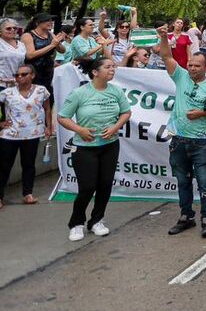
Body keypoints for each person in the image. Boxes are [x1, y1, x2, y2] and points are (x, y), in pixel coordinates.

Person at [157, 25, 206, 237]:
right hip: (178, 140)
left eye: (197, 66)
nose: (192, 68)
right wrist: (163, 37)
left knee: (205, 182)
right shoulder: (180, 77)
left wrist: (202, 114)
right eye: (190, 64)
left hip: (201, 141)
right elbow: (166, 56)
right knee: (182, 181)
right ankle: (186, 216)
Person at [56, 57, 131, 241]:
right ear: (95, 72)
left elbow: (126, 112)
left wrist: (115, 127)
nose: (112, 70)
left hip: (110, 145)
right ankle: (76, 223)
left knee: (105, 185)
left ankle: (97, 220)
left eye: (113, 67)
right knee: (87, 187)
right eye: (108, 67)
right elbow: (62, 117)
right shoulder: (79, 93)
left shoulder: (116, 91)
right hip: (84, 147)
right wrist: (80, 130)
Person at [0, 65, 52, 208]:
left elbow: (47, 108)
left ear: (32, 75)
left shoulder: (41, 91)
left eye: (24, 74)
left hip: (32, 134)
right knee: (4, 166)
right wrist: (1, 123)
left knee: (29, 165)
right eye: (17, 75)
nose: (20, 77)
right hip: (10, 135)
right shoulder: (7, 92)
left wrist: (49, 126)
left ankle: (27, 194)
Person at [21, 14, 66, 99]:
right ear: (38, 23)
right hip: (33, 71)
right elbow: (30, 55)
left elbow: (62, 50)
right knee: (34, 97)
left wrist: (58, 43)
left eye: (51, 20)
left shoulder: (50, 34)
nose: (51, 22)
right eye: (47, 20)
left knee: (48, 96)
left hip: (48, 70)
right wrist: (52, 45)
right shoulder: (28, 35)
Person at [0, 18, 27, 89]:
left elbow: (23, 64)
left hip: (17, 84)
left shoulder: (21, 45)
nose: (12, 30)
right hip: (1, 84)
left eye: (15, 28)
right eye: (8, 28)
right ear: (0, 31)